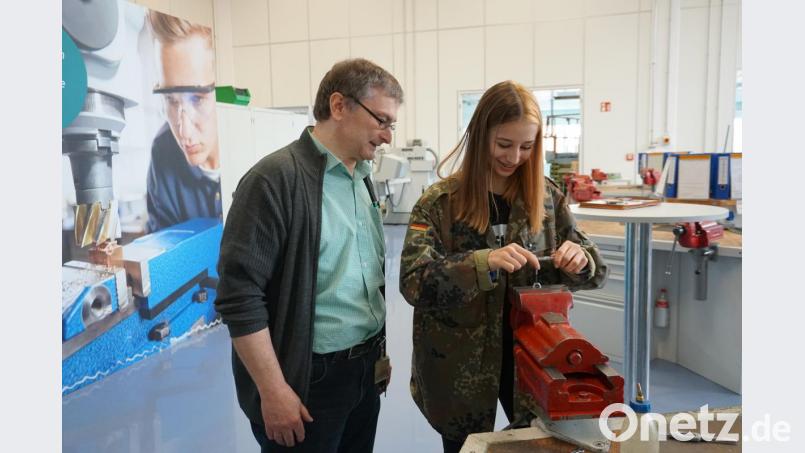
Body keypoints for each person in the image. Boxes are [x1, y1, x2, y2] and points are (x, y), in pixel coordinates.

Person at [399, 80, 608, 452]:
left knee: (534, 444)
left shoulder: (546, 199)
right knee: (465, 447)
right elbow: (414, 281)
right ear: (480, 136)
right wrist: (481, 264)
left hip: (533, 360)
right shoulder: (440, 203)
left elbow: (595, 269)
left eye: (526, 147)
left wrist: (579, 260)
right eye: (504, 144)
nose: (514, 158)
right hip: (460, 366)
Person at [214, 58, 403, 452]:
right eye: (381, 120)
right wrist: (273, 390)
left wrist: (376, 358)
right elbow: (240, 297)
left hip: (363, 370)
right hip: (307, 380)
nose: (387, 136)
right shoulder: (274, 180)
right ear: (339, 106)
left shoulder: (361, 178)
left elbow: (363, 279)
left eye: (392, 124)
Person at [146, 11, 222, 232]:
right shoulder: (162, 153)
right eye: (170, 100)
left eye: (197, 99)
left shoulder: (259, 148)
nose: (184, 132)